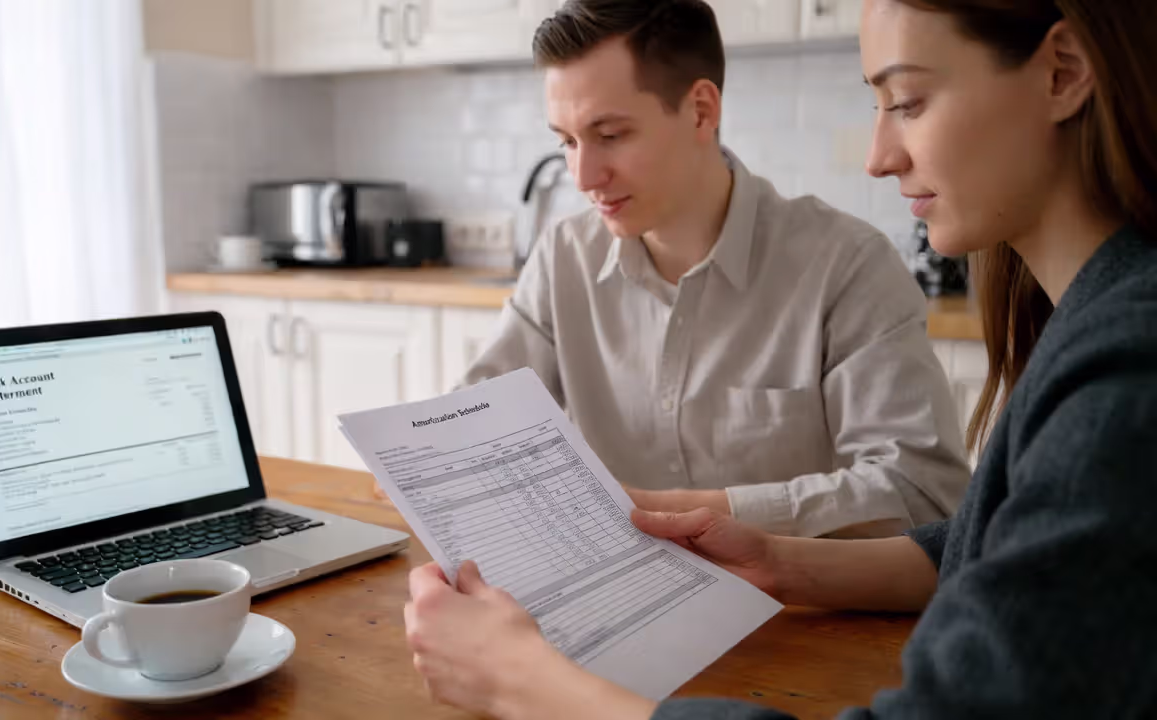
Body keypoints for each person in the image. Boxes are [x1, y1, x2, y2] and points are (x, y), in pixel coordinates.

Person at [402, 0, 1157, 717]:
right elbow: (977, 546)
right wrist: (779, 560)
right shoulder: (1084, 325)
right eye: (565, 142)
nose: (877, 157)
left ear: (1062, 74)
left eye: (908, 102)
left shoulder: (1120, 367)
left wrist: (522, 684)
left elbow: (935, 505)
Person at [450, 0, 970, 539]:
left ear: (701, 110)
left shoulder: (847, 265)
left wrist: (671, 513)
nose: (583, 175)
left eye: (610, 135)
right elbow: (474, 423)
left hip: (804, 612)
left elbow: (923, 493)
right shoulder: (562, 257)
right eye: (567, 141)